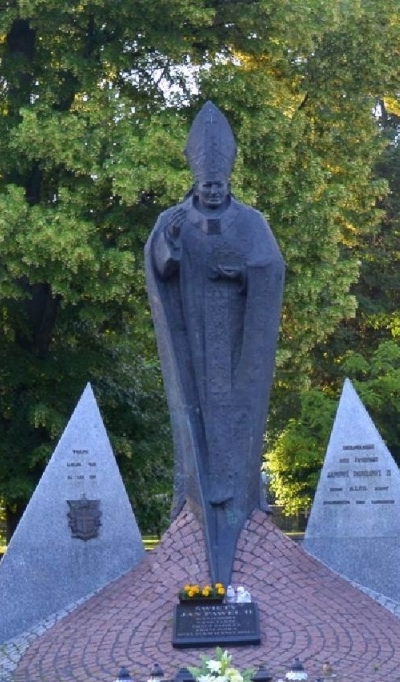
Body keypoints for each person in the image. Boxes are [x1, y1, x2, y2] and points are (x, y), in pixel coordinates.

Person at [145, 102, 286, 588]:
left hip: (235, 337)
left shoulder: (250, 222)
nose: (211, 191)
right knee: (199, 410)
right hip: (192, 337)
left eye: (218, 185)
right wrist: (173, 244)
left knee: (232, 411)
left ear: (229, 182)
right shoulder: (173, 218)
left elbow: (271, 270)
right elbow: (159, 268)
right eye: (205, 185)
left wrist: (241, 273)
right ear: (195, 182)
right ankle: (199, 490)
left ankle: (236, 491)